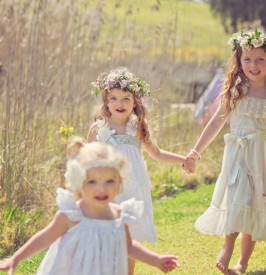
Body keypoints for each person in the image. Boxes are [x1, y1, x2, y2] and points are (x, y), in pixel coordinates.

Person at [0, 138, 180, 275]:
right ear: (78, 184)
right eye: (92, 182)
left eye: (109, 181)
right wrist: (16, 258)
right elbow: (43, 239)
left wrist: (155, 260)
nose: (101, 188)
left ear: (119, 183)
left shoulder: (119, 215)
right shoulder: (72, 216)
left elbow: (129, 246)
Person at [88, 67, 189, 274]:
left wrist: (183, 160)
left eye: (126, 98)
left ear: (135, 102)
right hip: (108, 190)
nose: (120, 103)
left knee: (129, 241)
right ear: (106, 101)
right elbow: (88, 161)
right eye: (114, 98)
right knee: (106, 239)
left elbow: (157, 154)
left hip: (133, 190)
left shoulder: (138, 127)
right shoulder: (98, 129)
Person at [183, 29, 266, 275]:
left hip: (262, 158)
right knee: (237, 201)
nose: (254, 65)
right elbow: (216, 123)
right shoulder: (235, 90)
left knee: (252, 206)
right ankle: (227, 249)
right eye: (247, 59)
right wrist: (195, 151)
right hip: (238, 156)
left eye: (260, 59)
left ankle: (242, 263)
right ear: (239, 63)